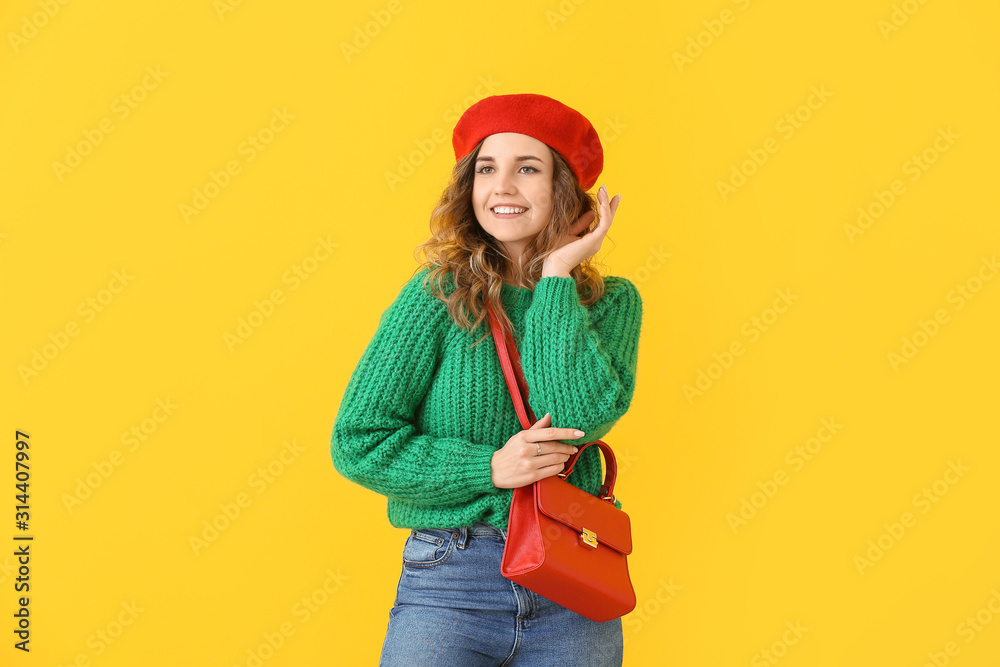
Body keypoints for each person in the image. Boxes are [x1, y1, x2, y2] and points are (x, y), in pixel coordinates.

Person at [330, 92, 643, 666]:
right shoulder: (437, 296)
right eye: (486, 169)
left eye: (528, 168)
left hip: (572, 585)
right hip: (451, 580)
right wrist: (489, 468)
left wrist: (554, 278)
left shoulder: (609, 302)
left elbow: (581, 413)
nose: (502, 187)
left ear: (565, 190)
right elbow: (359, 441)